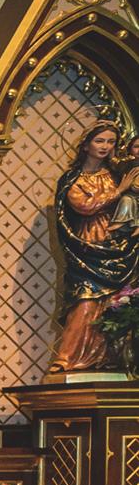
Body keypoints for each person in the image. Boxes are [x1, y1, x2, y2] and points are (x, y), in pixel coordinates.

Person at [52, 119, 139, 372]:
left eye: (111, 142)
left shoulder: (117, 173)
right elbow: (84, 206)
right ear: (86, 145)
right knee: (85, 301)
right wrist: (118, 191)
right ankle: (66, 359)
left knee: (115, 303)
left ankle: (109, 359)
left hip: (119, 246)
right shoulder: (73, 178)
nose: (105, 146)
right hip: (87, 246)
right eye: (99, 141)